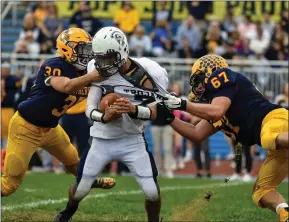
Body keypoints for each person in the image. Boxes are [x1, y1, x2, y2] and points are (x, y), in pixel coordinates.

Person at [54, 26, 168, 222]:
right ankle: (68, 211)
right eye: (98, 57)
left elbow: (157, 112)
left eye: (107, 57)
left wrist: (133, 110)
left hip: (133, 140)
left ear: (122, 51)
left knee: (152, 192)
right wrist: (104, 117)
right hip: (102, 139)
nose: (102, 63)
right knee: (80, 189)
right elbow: (90, 108)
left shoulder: (149, 72)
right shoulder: (96, 69)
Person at [161, 54, 288, 222]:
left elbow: (216, 111)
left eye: (199, 79)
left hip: (275, 121)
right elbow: (196, 133)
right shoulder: (220, 103)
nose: (198, 87)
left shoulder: (221, 77)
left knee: (267, 139)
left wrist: (182, 104)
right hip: (278, 142)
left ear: (211, 71)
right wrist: (170, 118)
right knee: (262, 192)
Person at [1, 28, 115, 197]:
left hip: (50, 128)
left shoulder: (85, 72)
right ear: (67, 48)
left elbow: (100, 94)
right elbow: (66, 86)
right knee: (9, 185)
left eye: (88, 50)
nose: (86, 54)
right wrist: (92, 77)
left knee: (72, 159)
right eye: (82, 49)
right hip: (26, 127)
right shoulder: (54, 65)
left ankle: (88, 181)